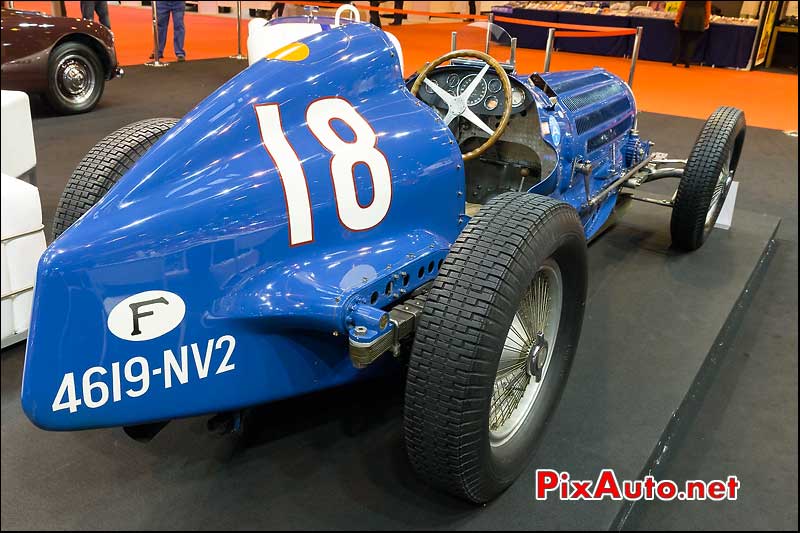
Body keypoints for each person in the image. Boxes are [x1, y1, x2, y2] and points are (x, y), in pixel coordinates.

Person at [672, 0, 711, 68]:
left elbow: (681, 7)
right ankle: (687, 61)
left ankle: (676, 60)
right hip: (699, 17)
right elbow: (708, 9)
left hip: (686, 15)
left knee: (681, 39)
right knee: (692, 41)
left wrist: (677, 19)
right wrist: (707, 22)